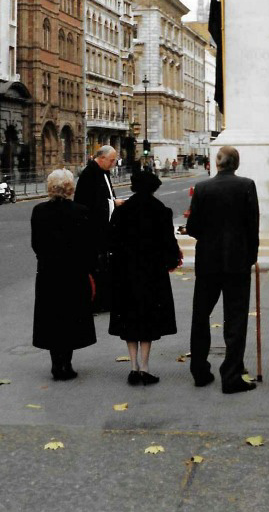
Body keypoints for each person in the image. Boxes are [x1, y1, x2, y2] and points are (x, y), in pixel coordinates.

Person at [186, 145, 259, 393]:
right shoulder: (246, 185)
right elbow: (253, 226)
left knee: (201, 315)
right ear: (236, 164)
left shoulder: (203, 188)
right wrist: (251, 256)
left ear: (216, 164)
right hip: (237, 261)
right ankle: (231, 374)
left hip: (208, 260)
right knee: (235, 318)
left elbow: (193, 226)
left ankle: (199, 369)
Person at [109, 169, 181, 385]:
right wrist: (170, 262)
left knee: (130, 318)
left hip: (126, 272)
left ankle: (132, 367)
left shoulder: (122, 211)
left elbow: (112, 242)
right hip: (151, 273)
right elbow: (169, 242)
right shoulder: (160, 210)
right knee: (147, 318)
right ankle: (145, 367)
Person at [31, 169, 97, 380]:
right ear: (70, 188)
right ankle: (66, 364)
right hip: (73, 273)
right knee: (70, 316)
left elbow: (36, 244)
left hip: (49, 272)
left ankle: (55, 363)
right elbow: (88, 246)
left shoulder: (39, 211)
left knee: (51, 316)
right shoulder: (81, 211)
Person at [74, 145, 125, 311]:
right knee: (97, 266)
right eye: (111, 160)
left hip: (104, 227)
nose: (113, 163)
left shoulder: (103, 172)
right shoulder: (89, 174)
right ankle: (97, 301)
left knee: (105, 265)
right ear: (101, 158)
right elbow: (87, 203)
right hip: (94, 229)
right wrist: (113, 203)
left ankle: (106, 299)